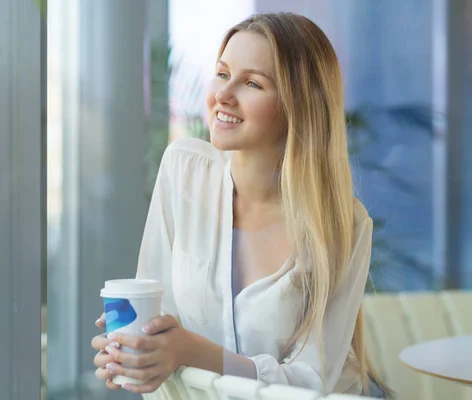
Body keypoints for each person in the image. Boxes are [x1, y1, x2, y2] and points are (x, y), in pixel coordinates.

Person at [91, 12, 393, 398]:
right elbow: (157, 314)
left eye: (252, 82)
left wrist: (190, 350)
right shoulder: (184, 170)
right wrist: (134, 352)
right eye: (222, 73)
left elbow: (310, 381)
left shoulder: (343, 224)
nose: (223, 94)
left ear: (298, 105)